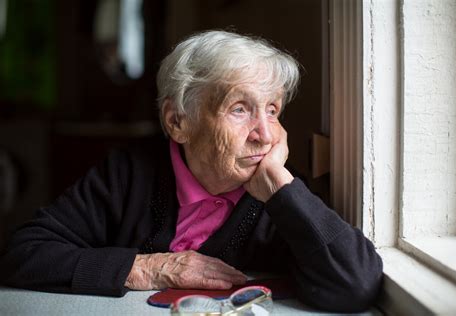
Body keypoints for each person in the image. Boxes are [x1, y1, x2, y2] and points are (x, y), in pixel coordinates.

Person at [0, 30, 382, 312]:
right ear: (178, 121)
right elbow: (23, 255)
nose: (264, 135)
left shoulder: (277, 192)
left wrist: (284, 187)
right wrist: (150, 268)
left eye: (272, 110)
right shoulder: (129, 174)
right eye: (239, 109)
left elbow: (356, 283)